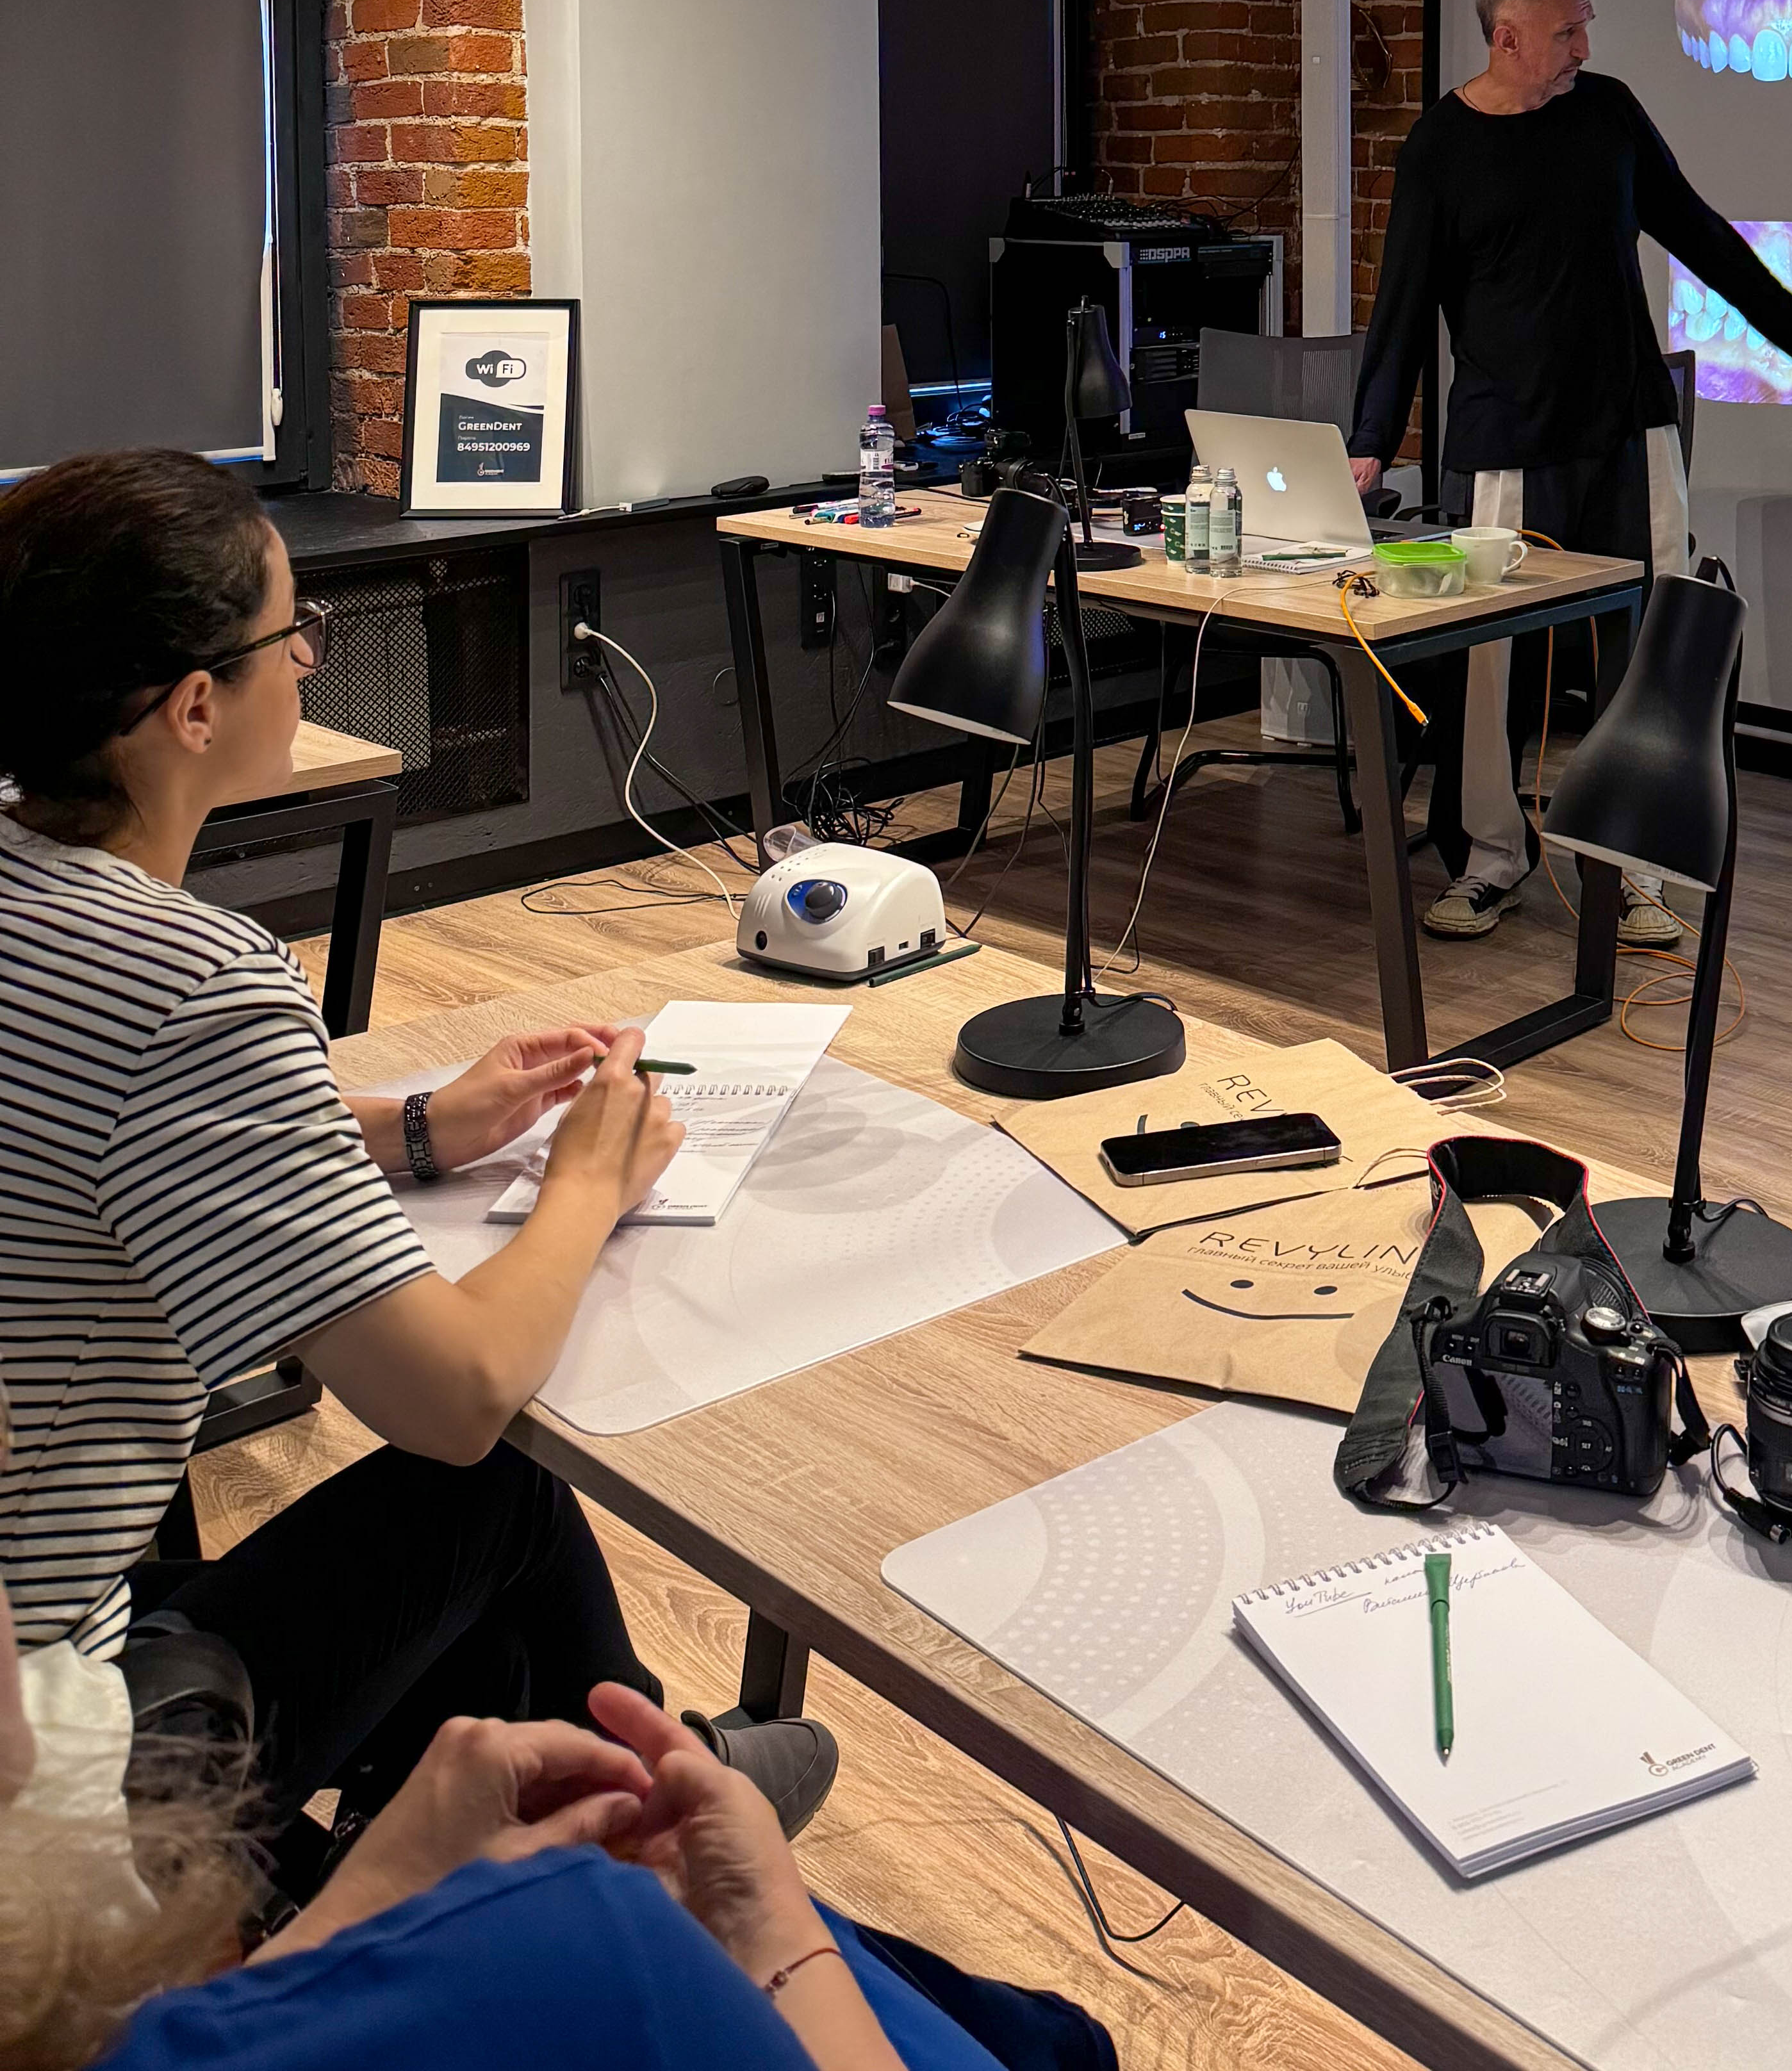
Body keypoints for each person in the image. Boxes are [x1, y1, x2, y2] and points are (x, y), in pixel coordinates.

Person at [0, 449, 835, 1883]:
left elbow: (120, 1130)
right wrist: (587, 1179)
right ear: (195, 707)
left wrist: (423, 1125)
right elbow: (451, 1396)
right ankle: (664, 1824)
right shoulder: (189, 979)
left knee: (482, 1608)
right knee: (487, 1489)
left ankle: (616, 1809)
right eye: (291, 632)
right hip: (53, 1749)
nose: (310, 660)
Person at [0, 1524, 1114, 2071]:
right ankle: (693, 1773)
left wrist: (361, 1908)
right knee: (1044, 2043)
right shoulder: (590, 1957)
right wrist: (771, 1926)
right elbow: (455, 1389)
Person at [1347, 0, 1792, 940]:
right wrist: (1371, 440)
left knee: (1647, 653)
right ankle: (1490, 860)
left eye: (1586, 26)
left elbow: (1696, 229)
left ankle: (1635, 871)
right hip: (1504, 441)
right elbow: (1402, 304)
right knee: (1489, 664)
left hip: (1629, 429)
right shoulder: (1440, 147)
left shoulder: (1609, 113)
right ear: (1508, 39)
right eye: (1567, 31)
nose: (1585, 46)